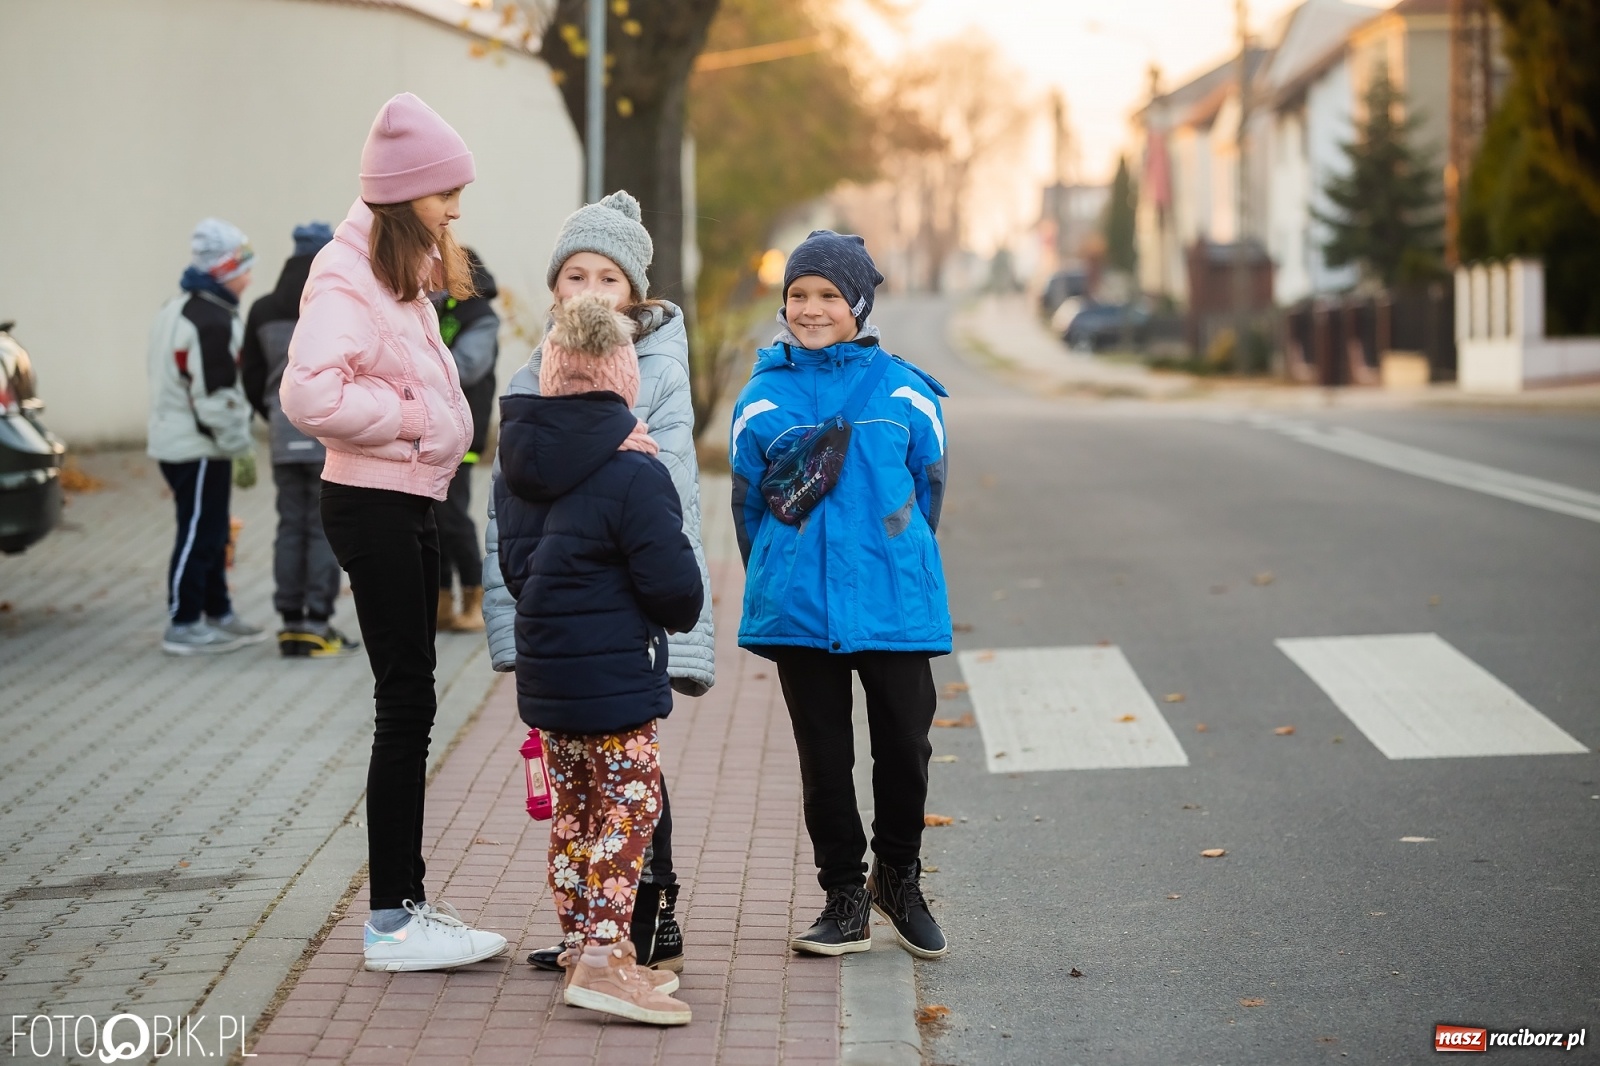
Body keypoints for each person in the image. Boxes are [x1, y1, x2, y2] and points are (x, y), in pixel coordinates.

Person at [280, 92, 507, 972]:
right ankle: (392, 919)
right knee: (405, 702)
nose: (455, 210)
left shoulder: (398, 274)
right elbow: (309, 394)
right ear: (405, 192)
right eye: (446, 192)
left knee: (412, 701)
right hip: (372, 500)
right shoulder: (346, 273)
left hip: (408, 498)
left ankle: (406, 902)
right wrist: (414, 415)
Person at [483, 190, 714, 974]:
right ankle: (609, 947)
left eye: (606, 278)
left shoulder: (643, 379)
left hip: (576, 637)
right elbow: (658, 543)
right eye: (574, 276)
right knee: (627, 793)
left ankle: (623, 926)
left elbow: (676, 498)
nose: (588, 291)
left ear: (635, 293)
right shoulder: (544, 391)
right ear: (554, 292)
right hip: (620, 630)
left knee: (585, 803)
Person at [728, 230, 953, 959]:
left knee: (904, 749)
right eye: (798, 294)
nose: (811, 307)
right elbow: (748, 507)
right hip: (803, 609)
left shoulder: (906, 390)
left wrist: (893, 557)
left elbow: (928, 491)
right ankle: (843, 894)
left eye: (827, 294)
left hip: (895, 603)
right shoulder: (762, 398)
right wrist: (785, 574)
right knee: (823, 757)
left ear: (858, 301)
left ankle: (898, 876)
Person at [147, 218, 268, 656]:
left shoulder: (179, 307)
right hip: (197, 446)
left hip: (186, 442)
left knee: (213, 529)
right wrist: (240, 447)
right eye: (244, 268)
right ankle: (183, 621)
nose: (249, 278)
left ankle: (218, 610)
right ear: (225, 269)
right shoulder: (212, 320)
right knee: (199, 530)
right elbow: (217, 398)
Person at [239, 222, 359, 658]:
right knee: (323, 527)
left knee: (290, 524)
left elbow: (250, 376)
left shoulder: (263, 308)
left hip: (283, 433)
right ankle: (318, 622)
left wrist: (273, 413)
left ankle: (290, 621)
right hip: (328, 432)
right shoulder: (334, 303)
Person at [430, 248, 498, 633]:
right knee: (431, 518)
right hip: (432, 430)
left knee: (452, 516)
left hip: (463, 432)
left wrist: (418, 360)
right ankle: (440, 601)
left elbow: (467, 368)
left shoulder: (481, 316)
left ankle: (476, 597)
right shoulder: (441, 307)